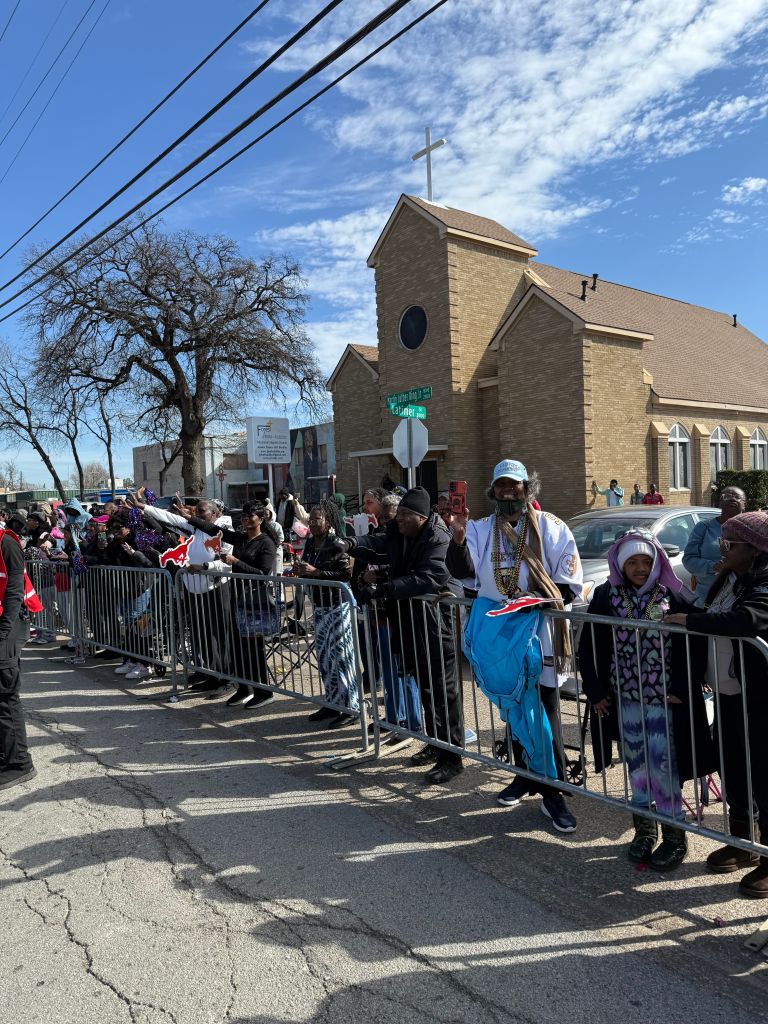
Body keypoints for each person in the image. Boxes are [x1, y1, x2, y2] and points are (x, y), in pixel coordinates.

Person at [452, 460, 583, 831]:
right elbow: (464, 575)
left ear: (528, 488)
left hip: (539, 632)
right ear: (492, 491)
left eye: (515, 485)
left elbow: (570, 584)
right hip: (500, 637)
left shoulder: (553, 528)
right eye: (501, 486)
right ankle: (525, 776)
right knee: (512, 706)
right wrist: (458, 539)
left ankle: (552, 792)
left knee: (544, 709)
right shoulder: (478, 529)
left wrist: (526, 605)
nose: (508, 491)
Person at [579, 531, 716, 870]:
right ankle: (643, 831)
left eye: (646, 561)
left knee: (664, 768)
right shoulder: (606, 595)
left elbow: (696, 644)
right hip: (625, 698)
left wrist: (684, 689)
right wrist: (596, 692)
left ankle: (674, 836)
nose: (640, 568)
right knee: (637, 766)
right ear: (620, 564)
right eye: (632, 561)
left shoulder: (672, 595)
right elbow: (590, 646)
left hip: (664, 702)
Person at [666, 510, 768, 898]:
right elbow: (711, 614)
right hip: (726, 691)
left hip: (759, 696)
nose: (719, 548)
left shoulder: (764, 581)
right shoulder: (729, 577)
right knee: (732, 764)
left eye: (729, 543)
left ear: (755, 550)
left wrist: (689, 623)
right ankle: (744, 841)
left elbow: (746, 620)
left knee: (764, 773)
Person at [341, 486, 465, 784]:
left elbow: (429, 577)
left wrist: (383, 588)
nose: (398, 520)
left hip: (437, 625)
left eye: (405, 515)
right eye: (399, 515)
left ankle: (453, 757)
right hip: (410, 623)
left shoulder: (438, 537)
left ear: (420, 517)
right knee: (425, 688)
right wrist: (349, 542)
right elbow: (378, 543)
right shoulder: (400, 532)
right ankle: (435, 745)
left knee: (442, 692)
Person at [131, 491, 234, 694]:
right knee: (202, 635)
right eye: (196, 511)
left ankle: (227, 678)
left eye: (201, 511)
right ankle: (210, 674)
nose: (196, 513)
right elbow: (172, 518)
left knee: (220, 635)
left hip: (216, 588)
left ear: (214, 513)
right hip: (196, 589)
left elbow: (226, 561)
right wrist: (145, 508)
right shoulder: (196, 528)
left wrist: (204, 566)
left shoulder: (223, 529)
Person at [184, 501, 277, 709]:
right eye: (244, 514)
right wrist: (190, 517)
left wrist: (235, 562)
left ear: (260, 519)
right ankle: (244, 688)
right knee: (237, 647)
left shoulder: (266, 543)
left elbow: (262, 574)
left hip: (255, 602)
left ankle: (264, 691)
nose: (245, 518)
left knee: (254, 649)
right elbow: (214, 529)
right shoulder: (241, 538)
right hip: (238, 599)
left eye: (250, 515)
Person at [293, 500, 359, 729]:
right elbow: (308, 567)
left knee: (341, 656)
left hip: (337, 605)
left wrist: (316, 571)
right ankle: (332, 702)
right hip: (319, 605)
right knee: (324, 657)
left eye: (317, 519)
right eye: (310, 519)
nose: (312, 522)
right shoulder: (311, 542)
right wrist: (301, 569)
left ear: (328, 521)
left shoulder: (336, 543)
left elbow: (345, 574)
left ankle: (352, 706)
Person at [0, 522, 36, 792]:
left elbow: (14, 590)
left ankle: (19, 763)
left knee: (5, 694)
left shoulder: (7, 543)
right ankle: (6, 755)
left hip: (9, 627)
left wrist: (3, 630)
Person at [683, 486, 746, 606]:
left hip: (741, 598)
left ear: (745, 504)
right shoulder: (703, 527)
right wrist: (713, 567)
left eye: (738, 497)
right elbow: (688, 560)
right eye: (727, 497)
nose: (732, 500)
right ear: (719, 503)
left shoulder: (751, 531)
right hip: (706, 599)